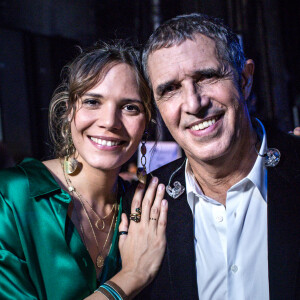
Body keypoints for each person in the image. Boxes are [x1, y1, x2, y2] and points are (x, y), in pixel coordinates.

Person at [123, 13, 300, 299]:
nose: (193, 103)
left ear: (244, 79)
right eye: (170, 89)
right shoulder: (142, 208)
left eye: (206, 77)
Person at [0, 41, 168, 299]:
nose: (110, 121)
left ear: (146, 122)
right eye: (92, 102)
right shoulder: (12, 197)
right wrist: (132, 275)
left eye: (130, 107)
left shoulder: (143, 208)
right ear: (68, 111)